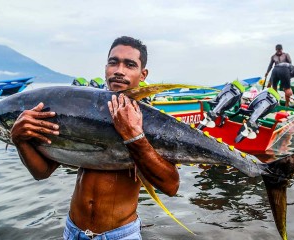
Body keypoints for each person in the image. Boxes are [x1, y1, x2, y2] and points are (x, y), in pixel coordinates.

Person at [10, 36, 180, 239]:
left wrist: (135, 136)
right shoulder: (83, 109)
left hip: (120, 235)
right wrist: (20, 141)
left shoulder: (149, 121)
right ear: (106, 67)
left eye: (130, 64)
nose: (119, 70)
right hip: (73, 231)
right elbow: (42, 172)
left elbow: (171, 186)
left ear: (143, 74)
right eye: (113, 62)